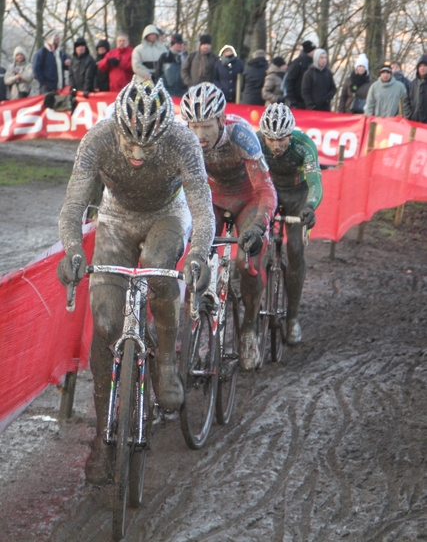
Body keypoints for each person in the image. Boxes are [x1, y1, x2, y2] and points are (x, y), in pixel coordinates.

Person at [57, 76, 215, 485]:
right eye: (130, 144)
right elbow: (73, 205)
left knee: (160, 267)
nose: (138, 154)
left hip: (167, 214)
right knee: (107, 324)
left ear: (165, 131)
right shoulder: (97, 139)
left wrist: (197, 253)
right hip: (115, 219)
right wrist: (73, 250)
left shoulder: (183, 142)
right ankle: (101, 437)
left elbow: (203, 209)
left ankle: (164, 362)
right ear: (117, 130)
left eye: (148, 145)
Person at [180, 83, 277, 371]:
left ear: (221, 120)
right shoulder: (183, 137)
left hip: (248, 197)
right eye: (193, 126)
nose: (199, 135)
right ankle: (192, 329)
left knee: (247, 260)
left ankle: (248, 329)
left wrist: (260, 226)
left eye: (206, 126)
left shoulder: (241, 134)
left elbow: (266, 190)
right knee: (196, 258)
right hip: (212, 198)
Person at [257, 103, 322, 344]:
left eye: (282, 139)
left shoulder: (303, 145)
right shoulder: (255, 141)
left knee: (295, 249)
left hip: (297, 197)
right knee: (256, 246)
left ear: (290, 133)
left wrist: (310, 206)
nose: (275, 145)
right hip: (269, 193)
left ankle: (293, 317)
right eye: (270, 139)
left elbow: (315, 181)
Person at [33, 28, 71, 94]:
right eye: (56, 36)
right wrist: (43, 83)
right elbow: (36, 69)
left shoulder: (61, 52)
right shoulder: (42, 53)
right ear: (51, 38)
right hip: (47, 89)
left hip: (61, 88)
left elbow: (68, 65)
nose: (58, 37)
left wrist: (68, 63)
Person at [285, 40, 316, 109]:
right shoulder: (297, 63)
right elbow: (289, 81)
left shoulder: (314, 64)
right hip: (298, 101)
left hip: (310, 101)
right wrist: (291, 99)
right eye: (314, 50)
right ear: (309, 51)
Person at [404, 54, 427, 124]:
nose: (422, 68)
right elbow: (406, 101)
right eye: (420, 66)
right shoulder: (412, 84)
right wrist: (410, 115)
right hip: (414, 121)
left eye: (425, 66)